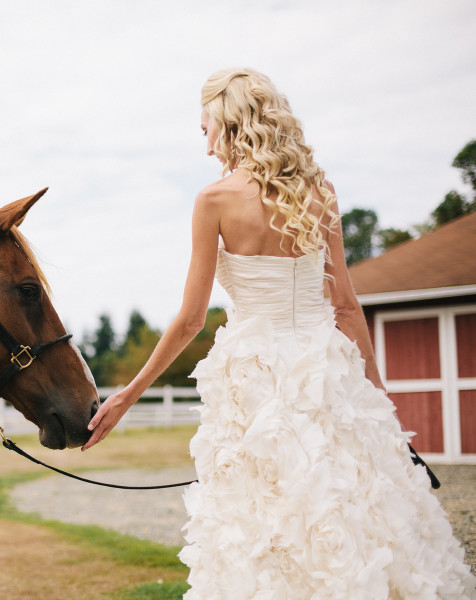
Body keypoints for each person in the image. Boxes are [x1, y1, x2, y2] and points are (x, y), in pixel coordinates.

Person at [82, 68, 475, 599]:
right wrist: (378, 397)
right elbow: (345, 307)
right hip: (325, 373)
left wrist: (127, 395)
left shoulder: (214, 201)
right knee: (349, 502)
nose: (205, 147)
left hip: (255, 380)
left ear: (230, 123)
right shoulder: (321, 192)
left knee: (263, 518)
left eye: (206, 131)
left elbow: (191, 320)